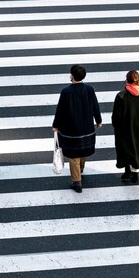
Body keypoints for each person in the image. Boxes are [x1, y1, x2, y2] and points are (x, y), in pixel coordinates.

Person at [52, 64, 103, 193]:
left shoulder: (66, 92)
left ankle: (77, 182)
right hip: (86, 127)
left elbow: (60, 110)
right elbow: (95, 106)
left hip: (71, 128)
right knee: (82, 150)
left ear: (72, 76)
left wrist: (55, 125)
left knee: (73, 155)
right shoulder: (89, 89)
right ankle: (80, 169)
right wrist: (98, 120)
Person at [111, 70, 139, 183]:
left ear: (126, 80)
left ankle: (127, 172)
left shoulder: (121, 96)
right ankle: (135, 174)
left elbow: (116, 116)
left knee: (125, 149)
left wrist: (116, 125)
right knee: (137, 150)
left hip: (123, 130)